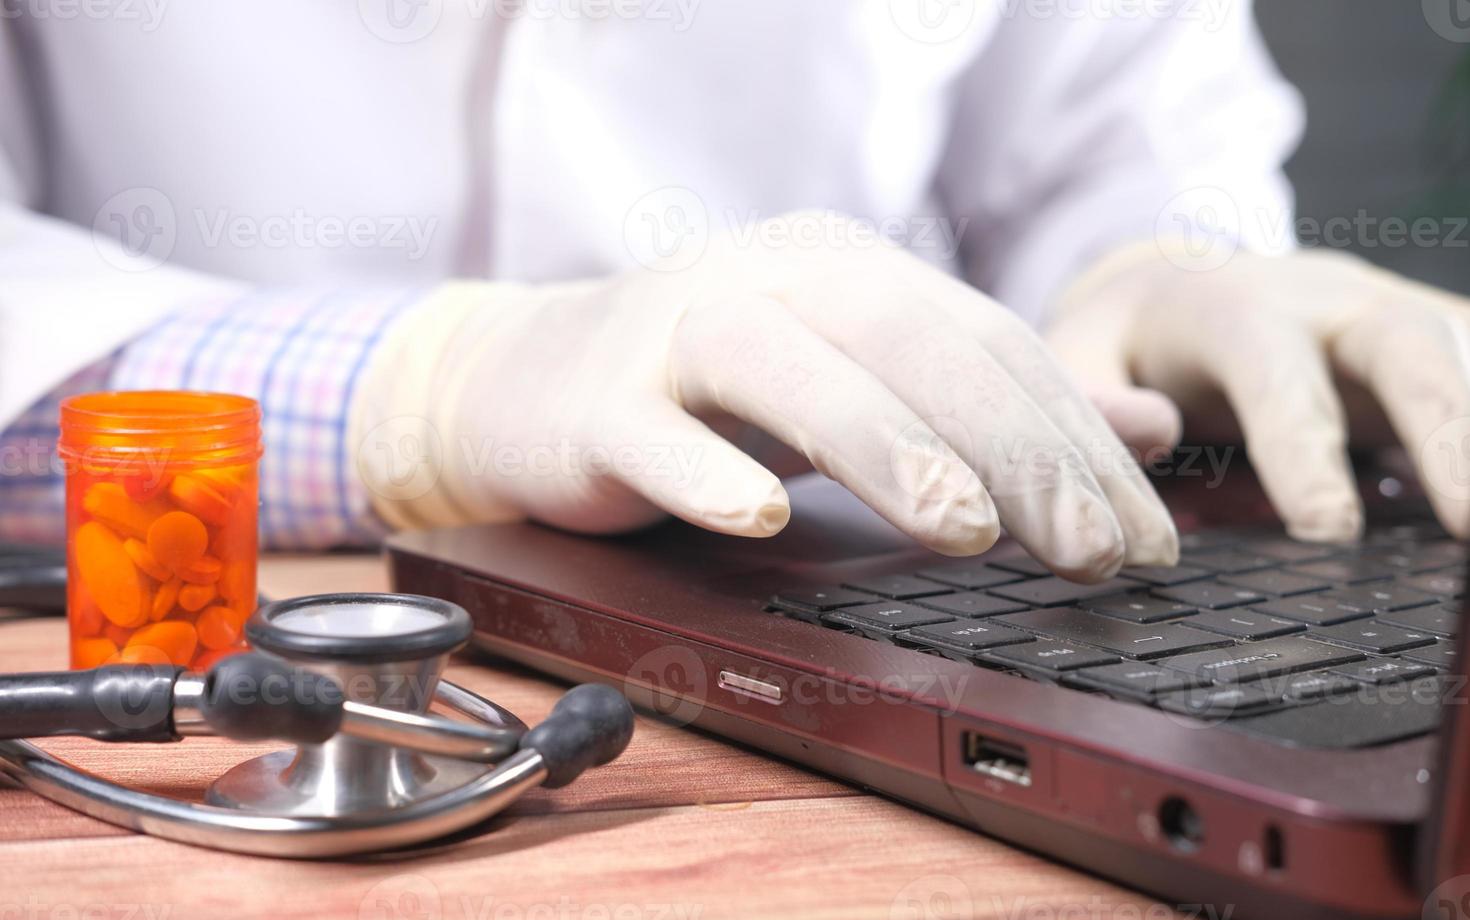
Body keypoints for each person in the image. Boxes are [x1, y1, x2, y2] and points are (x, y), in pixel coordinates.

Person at [1, 2, 1466, 583]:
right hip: (164, 619)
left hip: (837, 603)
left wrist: (1152, 278)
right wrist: (439, 388)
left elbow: (1118, 132)